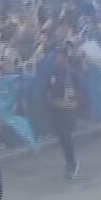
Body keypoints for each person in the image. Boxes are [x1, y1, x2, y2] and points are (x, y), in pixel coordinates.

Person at [39, 38, 89, 179]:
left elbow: (81, 89)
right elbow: (45, 88)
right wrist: (46, 101)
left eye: (61, 56)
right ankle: (70, 161)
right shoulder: (53, 72)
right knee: (62, 137)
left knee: (65, 135)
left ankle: (71, 163)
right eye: (57, 56)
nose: (58, 58)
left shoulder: (72, 72)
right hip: (56, 108)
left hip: (70, 109)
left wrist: (81, 104)